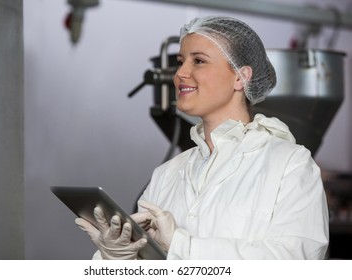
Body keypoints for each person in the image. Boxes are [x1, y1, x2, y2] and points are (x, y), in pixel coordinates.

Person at [75, 16, 329, 260]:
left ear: (241, 77)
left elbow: (295, 261)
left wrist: (181, 246)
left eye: (198, 61)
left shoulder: (289, 164)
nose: (180, 73)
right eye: (180, 60)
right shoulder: (167, 174)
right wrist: (120, 258)